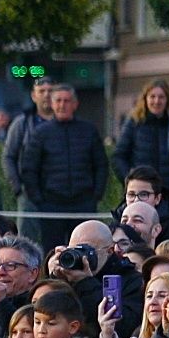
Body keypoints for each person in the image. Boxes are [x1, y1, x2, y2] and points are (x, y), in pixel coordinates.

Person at [20, 84, 108, 250]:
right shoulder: (40, 133)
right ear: (52, 104)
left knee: (85, 249)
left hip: (84, 203)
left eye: (67, 101)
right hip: (51, 205)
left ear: (75, 104)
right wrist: (39, 200)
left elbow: (101, 165)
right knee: (53, 251)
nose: (62, 105)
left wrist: (96, 195)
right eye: (58, 101)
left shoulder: (89, 130)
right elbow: (29, 168)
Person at [3, 75, 54, 242]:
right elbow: (9, 156)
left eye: (50, 91)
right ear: (34, 95)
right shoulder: (21, 124)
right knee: (26, 243)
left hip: (59, 194)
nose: (46, 95)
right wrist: (18, 187)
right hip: (29, 194)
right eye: (42, 91)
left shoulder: (67, 125)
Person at [113, 78, 169, 182]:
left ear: (167, 100)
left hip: (168, 189)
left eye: (161, 97)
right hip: (141, 190)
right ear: (145, 99)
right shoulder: (134, 122)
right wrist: (129, 178)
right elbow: (119, 156)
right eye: (152, 96)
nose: (156, 101)